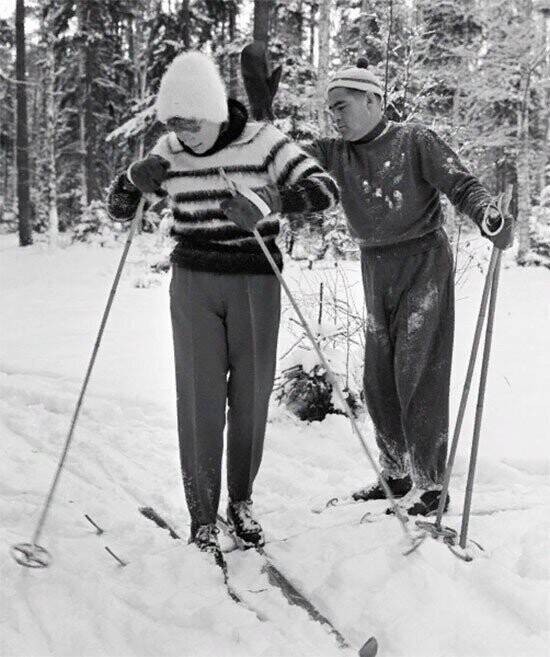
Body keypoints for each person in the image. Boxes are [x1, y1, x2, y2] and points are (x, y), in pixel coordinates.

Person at [230, 58, 514, 517]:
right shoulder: (334, 152)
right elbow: (280, 163)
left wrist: (487, 214)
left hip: (423, 262)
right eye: (330, 110)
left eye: (342, 106)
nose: (335, 117)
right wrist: (262, 109)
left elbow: (461, 184)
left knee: (417, 371)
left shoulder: (414, 139)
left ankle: (430, 484)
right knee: (379, 377)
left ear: (372, 100)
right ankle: (397, 472)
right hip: (375, 265)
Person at [107, 51, 339, 565]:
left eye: (189, 123)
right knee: (199, 400)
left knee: (251, 397)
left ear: (213, 112)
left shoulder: (263, 141)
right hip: (192, 282)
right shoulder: (169, 150)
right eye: (172, 124)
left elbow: (325, 189)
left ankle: (241, 501)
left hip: (256, 280)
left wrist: (270, 203)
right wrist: (131, 180)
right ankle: (202, 517)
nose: (182, 134)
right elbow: (121, 208)